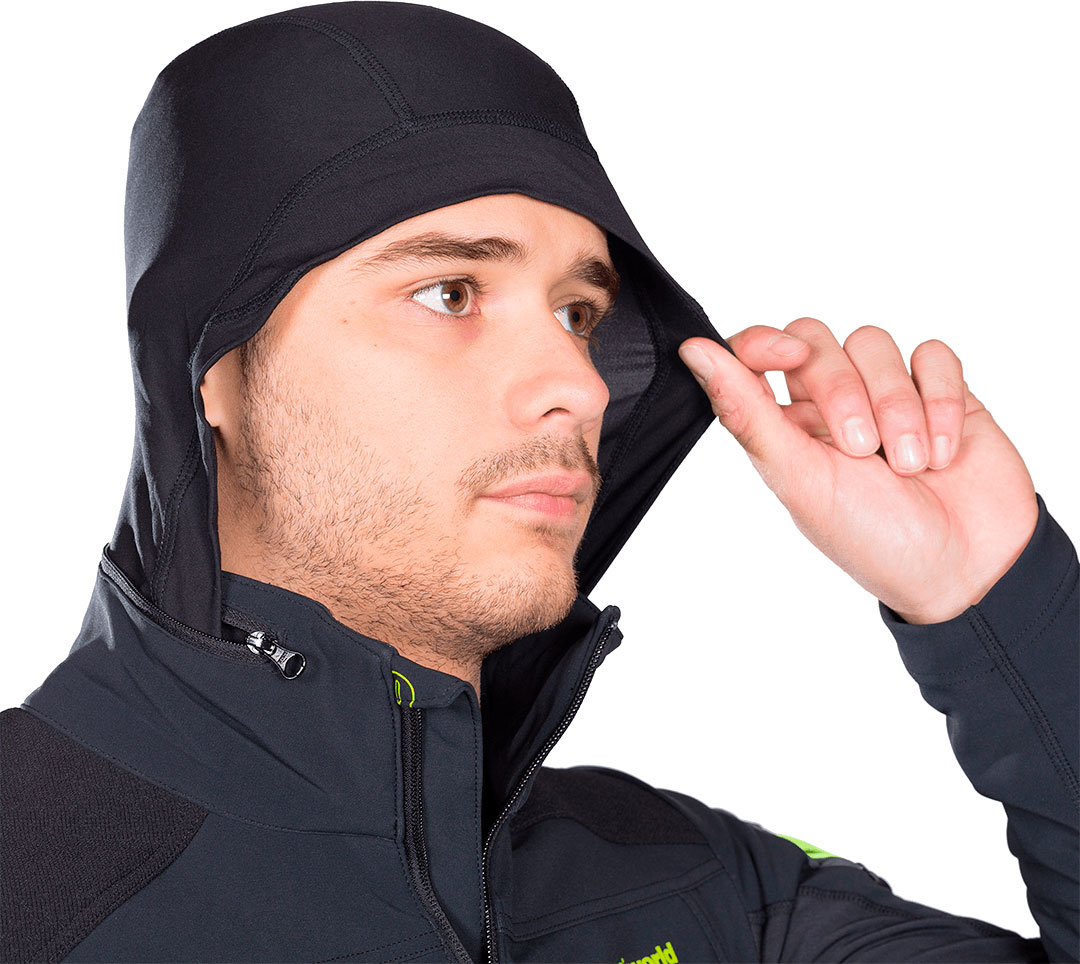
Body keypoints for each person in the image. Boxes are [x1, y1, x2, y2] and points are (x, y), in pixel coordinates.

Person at [2, 3, 1076, 963]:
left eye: (578, 313)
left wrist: (996, 592)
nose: (579, 382)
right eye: (450, 292)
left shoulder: (692, 885)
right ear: (214, 368)